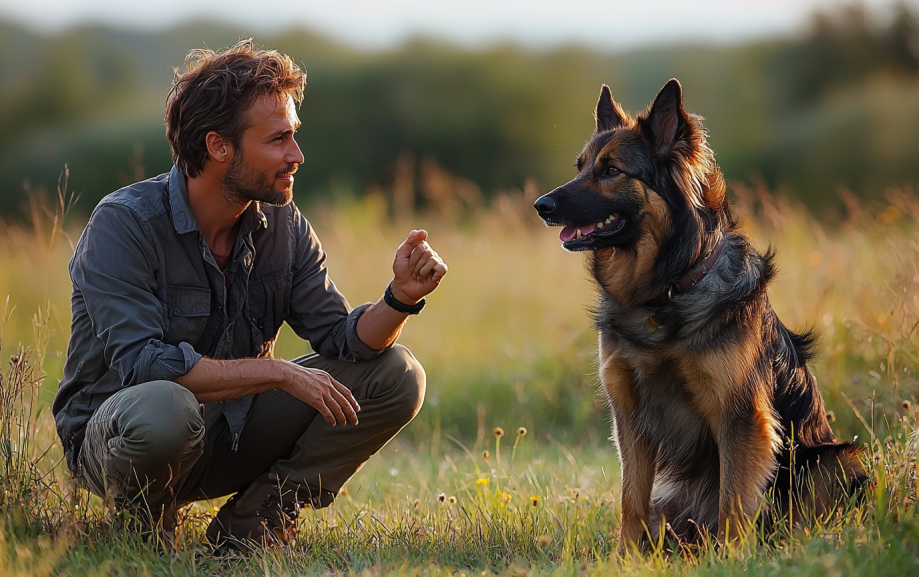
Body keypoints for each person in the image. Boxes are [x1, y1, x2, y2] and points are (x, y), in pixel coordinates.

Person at [51, 39, 447, 548]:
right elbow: (147, 367)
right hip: (123, 440)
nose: (296, 155)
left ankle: (254, 524)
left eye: (295, 136)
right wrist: (281, 373)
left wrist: (399, 298)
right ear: (219, 147)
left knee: (397, 374)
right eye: (278, 139)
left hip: (229, 433)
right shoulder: (123, 224)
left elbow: (345, 341)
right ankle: (141, 531)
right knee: (166, 408)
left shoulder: (285, 226)